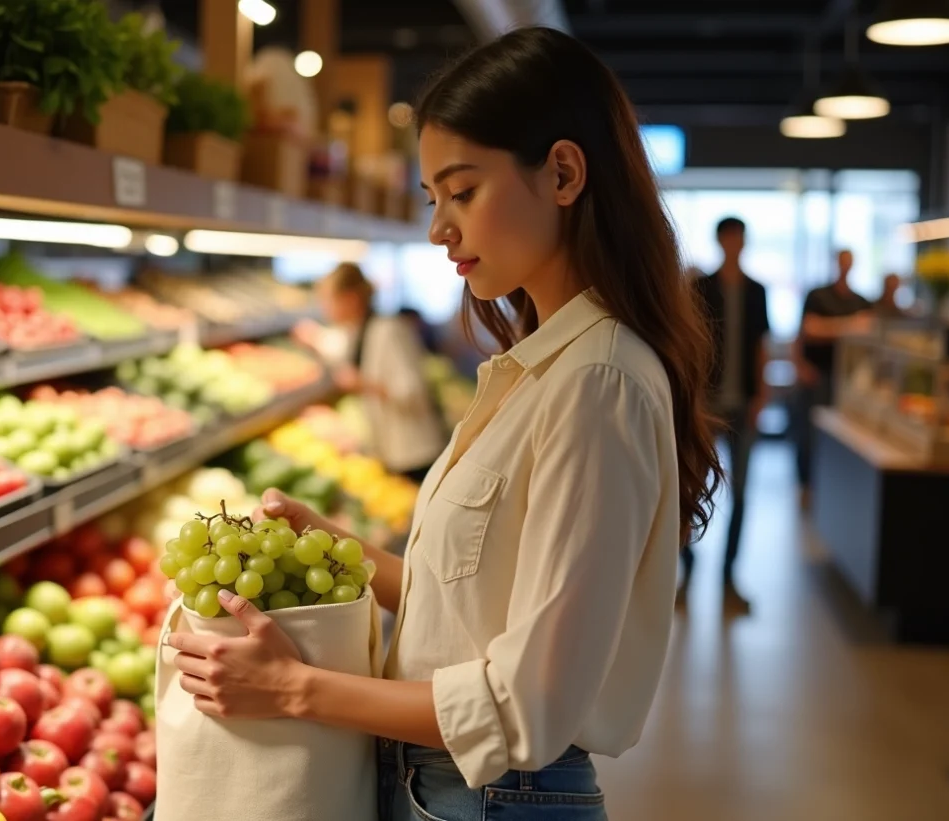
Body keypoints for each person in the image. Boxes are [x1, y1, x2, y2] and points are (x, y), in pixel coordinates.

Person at [163, 27, 722, 821]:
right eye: (433, 199)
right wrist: (340, 548)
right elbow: (465, 608)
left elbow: (527, 704)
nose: (439, 228)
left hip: (493, 797)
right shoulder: (535, 367)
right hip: (448, 788)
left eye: (462, 192)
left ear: (562, 173)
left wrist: (294, 688)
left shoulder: (597, 381)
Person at [682, 216, 770, 614]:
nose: (734, 243)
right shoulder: (700, 288)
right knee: (690, 490)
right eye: (729, 237)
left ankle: (729, 577)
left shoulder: (756, 291)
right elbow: (691, 346)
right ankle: (687, 570)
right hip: (708, 406)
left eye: (739, 238)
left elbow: (761, 346)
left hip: (743, 402)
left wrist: (762, 396)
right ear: (721, 241)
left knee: (742, 494)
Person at [295, 262, 447, 484]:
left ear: (351, 298)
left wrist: (364, 384)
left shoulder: (389, 330)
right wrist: (314, 338)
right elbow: (338, 346)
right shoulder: (358, 329)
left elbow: (412, 392)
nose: (324, 308)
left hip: (414, 453)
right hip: (391, 452)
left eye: (327, 300)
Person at [794, 249, 873, 508]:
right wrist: (850, 326)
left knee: (840, 438)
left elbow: (868, 334)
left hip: (847, 380)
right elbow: (807, 332)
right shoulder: (818, 296)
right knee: (808, 435)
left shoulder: (860, 300)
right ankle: (807, 485)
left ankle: (830, 487)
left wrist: (829, 328)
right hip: (816, 376)